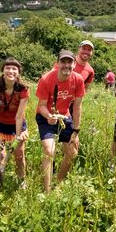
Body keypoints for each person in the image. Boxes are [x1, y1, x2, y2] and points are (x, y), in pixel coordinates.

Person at [36, 50, 85, 193]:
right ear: (57, 63)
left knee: (73, 152)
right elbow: (42, 105)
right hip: (46, 116)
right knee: (49, 150)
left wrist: (76, 130)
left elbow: (77, 107)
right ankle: (47, 191)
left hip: (64, 116)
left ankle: (58, 181)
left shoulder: (78, 80)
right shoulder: (46, 79)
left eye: (69, 62)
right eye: (63, 62)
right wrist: (49, 116)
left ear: (74, 64)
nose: (66, 65)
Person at [0, 57, 29, 186]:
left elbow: (19, 116)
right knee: (0, 154)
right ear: (3, 71)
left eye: (14, 69)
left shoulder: (23, 89)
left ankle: (21, 180)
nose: (11, 71)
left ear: (19, 72)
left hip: (16, 124)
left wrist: (17, 136)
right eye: (8, 68)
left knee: (19, 154)